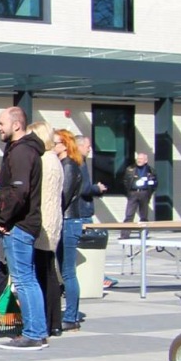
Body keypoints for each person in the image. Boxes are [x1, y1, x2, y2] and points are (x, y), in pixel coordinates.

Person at [0, 107, 47, 350]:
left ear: (16, 125)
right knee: (28, 278)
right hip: (25, 222)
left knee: (24, 280)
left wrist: (4, 218)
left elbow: (19, 190)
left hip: (19, 224)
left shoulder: (22, 152)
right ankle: (37, 330)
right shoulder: (23, 150)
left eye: (1, 123)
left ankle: (34, 332)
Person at [61, 133, 104, 330]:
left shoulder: (74, 164)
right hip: (75, 216)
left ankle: (71, 315)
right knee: (67, 271)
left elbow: (77, 190)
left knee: (68, 271)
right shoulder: (77, 163)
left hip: (71, 218)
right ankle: (70, 314)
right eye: (87, 146)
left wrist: (94, 188)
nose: (90, 149)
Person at [28, 121, 64, 338]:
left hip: (43, 222)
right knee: (49, 271)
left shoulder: (43, 160)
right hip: (53, 220)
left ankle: (49, 321)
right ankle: (54, 321)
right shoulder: (55, 160)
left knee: (44, 273)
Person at [121, 150, 157, 235]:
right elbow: (125, 181)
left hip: (144, 193)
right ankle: (125, 234)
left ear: (146, 160)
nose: (139, 160)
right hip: (133, 193)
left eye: (141, 159)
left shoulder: (151, 170)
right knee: (129, 215)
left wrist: (149, 193)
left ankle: (143, 235)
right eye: (138, 158)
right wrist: (129, 193)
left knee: (144, 216)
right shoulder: (130, 169)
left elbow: (155, 183)